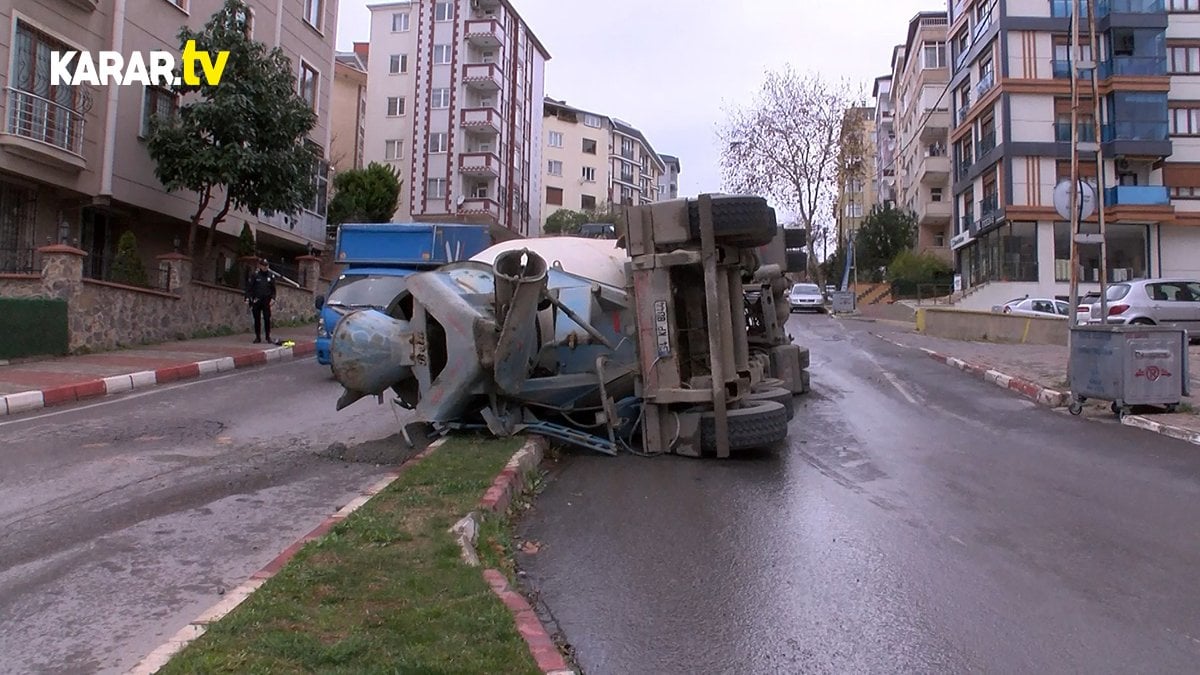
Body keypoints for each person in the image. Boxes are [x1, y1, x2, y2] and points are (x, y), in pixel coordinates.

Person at [244, 258, 276, 344]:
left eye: (266, 265)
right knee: (257, 319)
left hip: (266, 301)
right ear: (260, 266)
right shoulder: (255, 275)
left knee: (267, 319)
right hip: (256, 300)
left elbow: (273, 290)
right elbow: (249, 288)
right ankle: (257, 337)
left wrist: (273, 298)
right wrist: (247, 297)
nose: (265, 267)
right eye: (263, 265)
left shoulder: (271, 276)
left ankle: (268, 337)